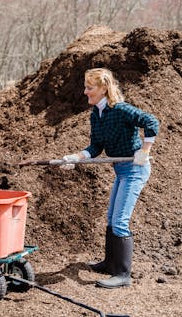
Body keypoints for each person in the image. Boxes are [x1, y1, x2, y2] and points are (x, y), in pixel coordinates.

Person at [60, 68, 159, 289]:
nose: (85, 92)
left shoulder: (121, 110)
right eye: (85, 87)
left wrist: (144, 150)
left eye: (89, 87)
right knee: (111, 217)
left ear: (104, 88)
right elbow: (96, 147)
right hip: (121, 170)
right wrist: (75, 157)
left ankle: (123, 274)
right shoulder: (96, 114)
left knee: (120, 221)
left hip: (134, 170)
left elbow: (151, 121)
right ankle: (110, 263)